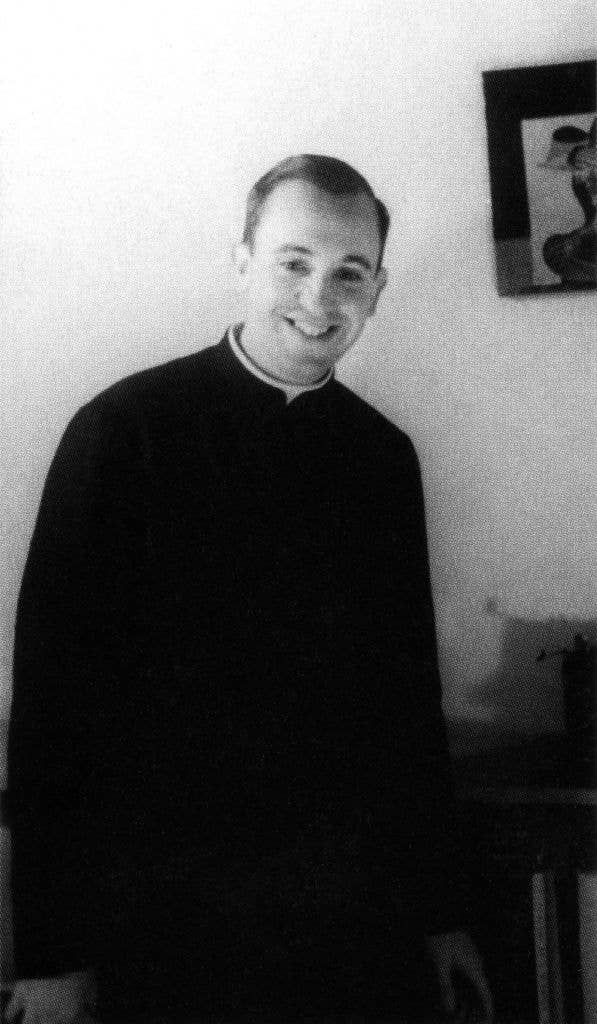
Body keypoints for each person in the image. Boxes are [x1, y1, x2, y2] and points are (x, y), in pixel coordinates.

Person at [7, 155, 494, 1023]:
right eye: (294, 262)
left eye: (349, 271)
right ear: (242, 259)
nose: (319, 296)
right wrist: (51, 954)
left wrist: (440, 913)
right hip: (161, 921)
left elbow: (403, 702)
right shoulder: (124, 432)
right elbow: (53, 707)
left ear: (378, 287)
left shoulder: (381, 459)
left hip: (346, 921)